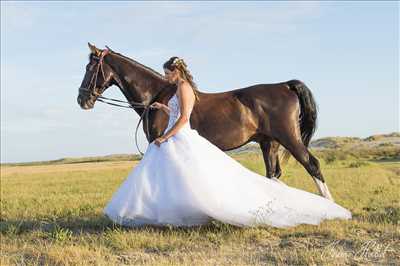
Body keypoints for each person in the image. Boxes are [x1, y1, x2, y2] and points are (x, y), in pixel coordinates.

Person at [103, 57, 352, 228]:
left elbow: (185, 118)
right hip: (181, 134)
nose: (165, 76)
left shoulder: (185, 88)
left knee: (297, 153)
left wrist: (166, 136)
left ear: (176, 72)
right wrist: (162, 108)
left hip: (182, 135)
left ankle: (326, 198)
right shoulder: (177, 90)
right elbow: (178, 113)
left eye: (167, 73)